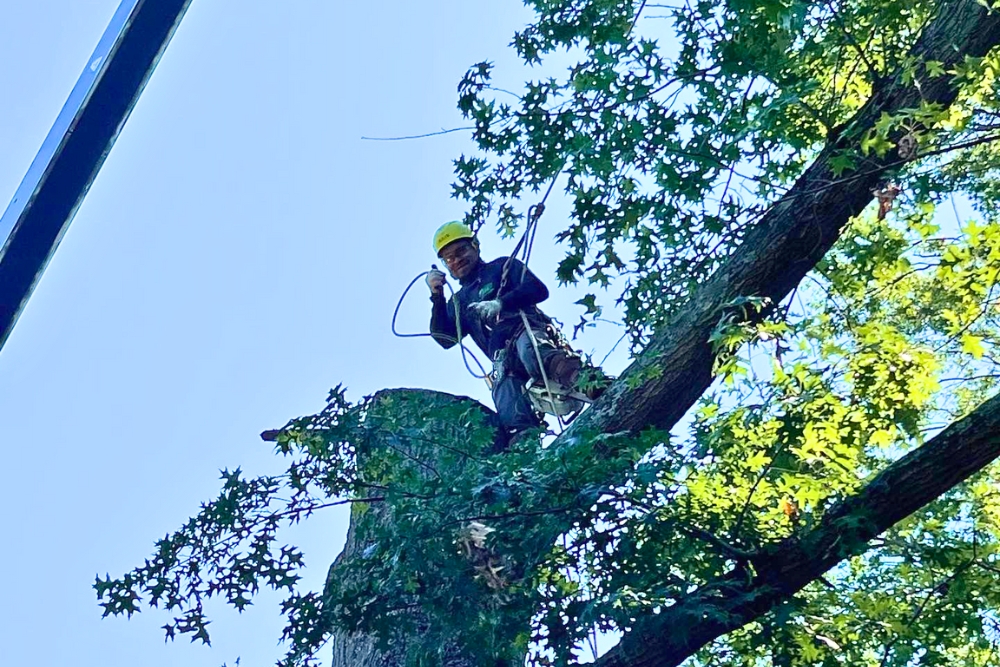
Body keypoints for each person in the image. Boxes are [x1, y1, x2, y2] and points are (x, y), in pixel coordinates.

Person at [427, 221, 591, 439]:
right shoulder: (459, 302)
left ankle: (589, 382)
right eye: (450, 258)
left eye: (461, 251)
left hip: (525, 333)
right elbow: (445, 339)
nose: (457, 260)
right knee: (507, 403)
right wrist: (437, 296)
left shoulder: (501, 267)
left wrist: (500, 303)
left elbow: (538, 289)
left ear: (475, 246)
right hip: (503, 362)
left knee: (533, 353)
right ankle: (525, 454)